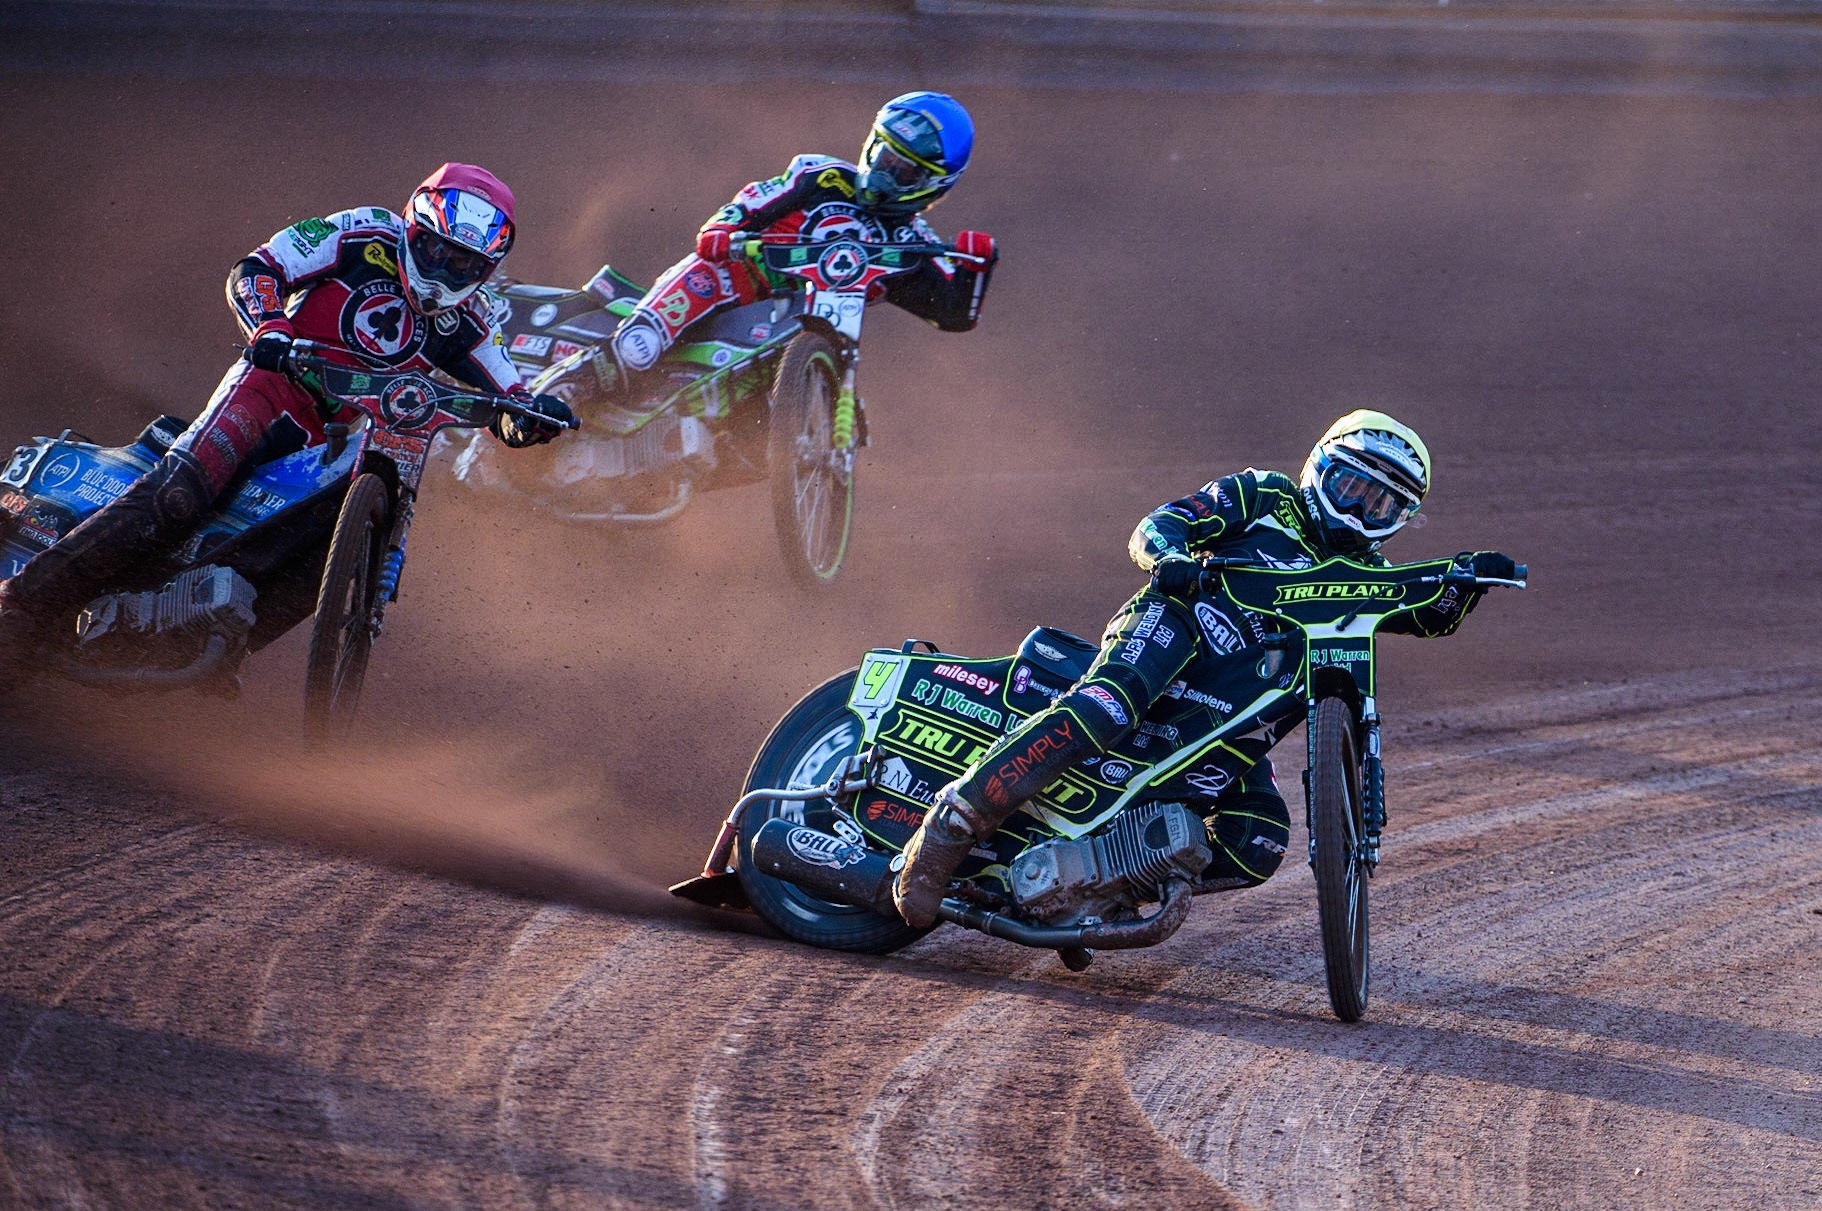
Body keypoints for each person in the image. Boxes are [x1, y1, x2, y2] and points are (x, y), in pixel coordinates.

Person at [891, 410, 1520, 928]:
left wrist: (1467, 583)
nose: (1358, 511)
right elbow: (1159, 524)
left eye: (1381, 505)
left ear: (1399, 521)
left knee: (1259, 841)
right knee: (1109, 706)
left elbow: (1428, 617)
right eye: (1350, 487)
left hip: (1230, 723)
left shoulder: (1370, 579)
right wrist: (1170, 556)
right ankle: (949, 825)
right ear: (1317, 469)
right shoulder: (1265, 495)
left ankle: (1098, 885)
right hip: (1178, 628)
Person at [0, 162, 572, 665]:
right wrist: (269, 327)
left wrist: (528, 419)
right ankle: (20, 608)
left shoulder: (473, 316)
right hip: (270, 388)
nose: (445, 272)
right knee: (180, 495)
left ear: (487, 269)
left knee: (332, 557)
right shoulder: (362, 231)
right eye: (436, 251)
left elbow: (509, 393)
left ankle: (206, 643)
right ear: (412, 226)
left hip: (332, 439)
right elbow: (256, 268)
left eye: (465, 265)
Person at [605, 91, 999, 391]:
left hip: (800, 332)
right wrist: (720, 229)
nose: (884, 175)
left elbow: (954, 314)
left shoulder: (914, 243)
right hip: (741, 280)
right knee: (640, 341)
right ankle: (583, 378)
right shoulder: (822, 175)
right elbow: (754, 200)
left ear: (934, 183)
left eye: (904, 172)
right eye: (884, 157)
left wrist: (977, 265)